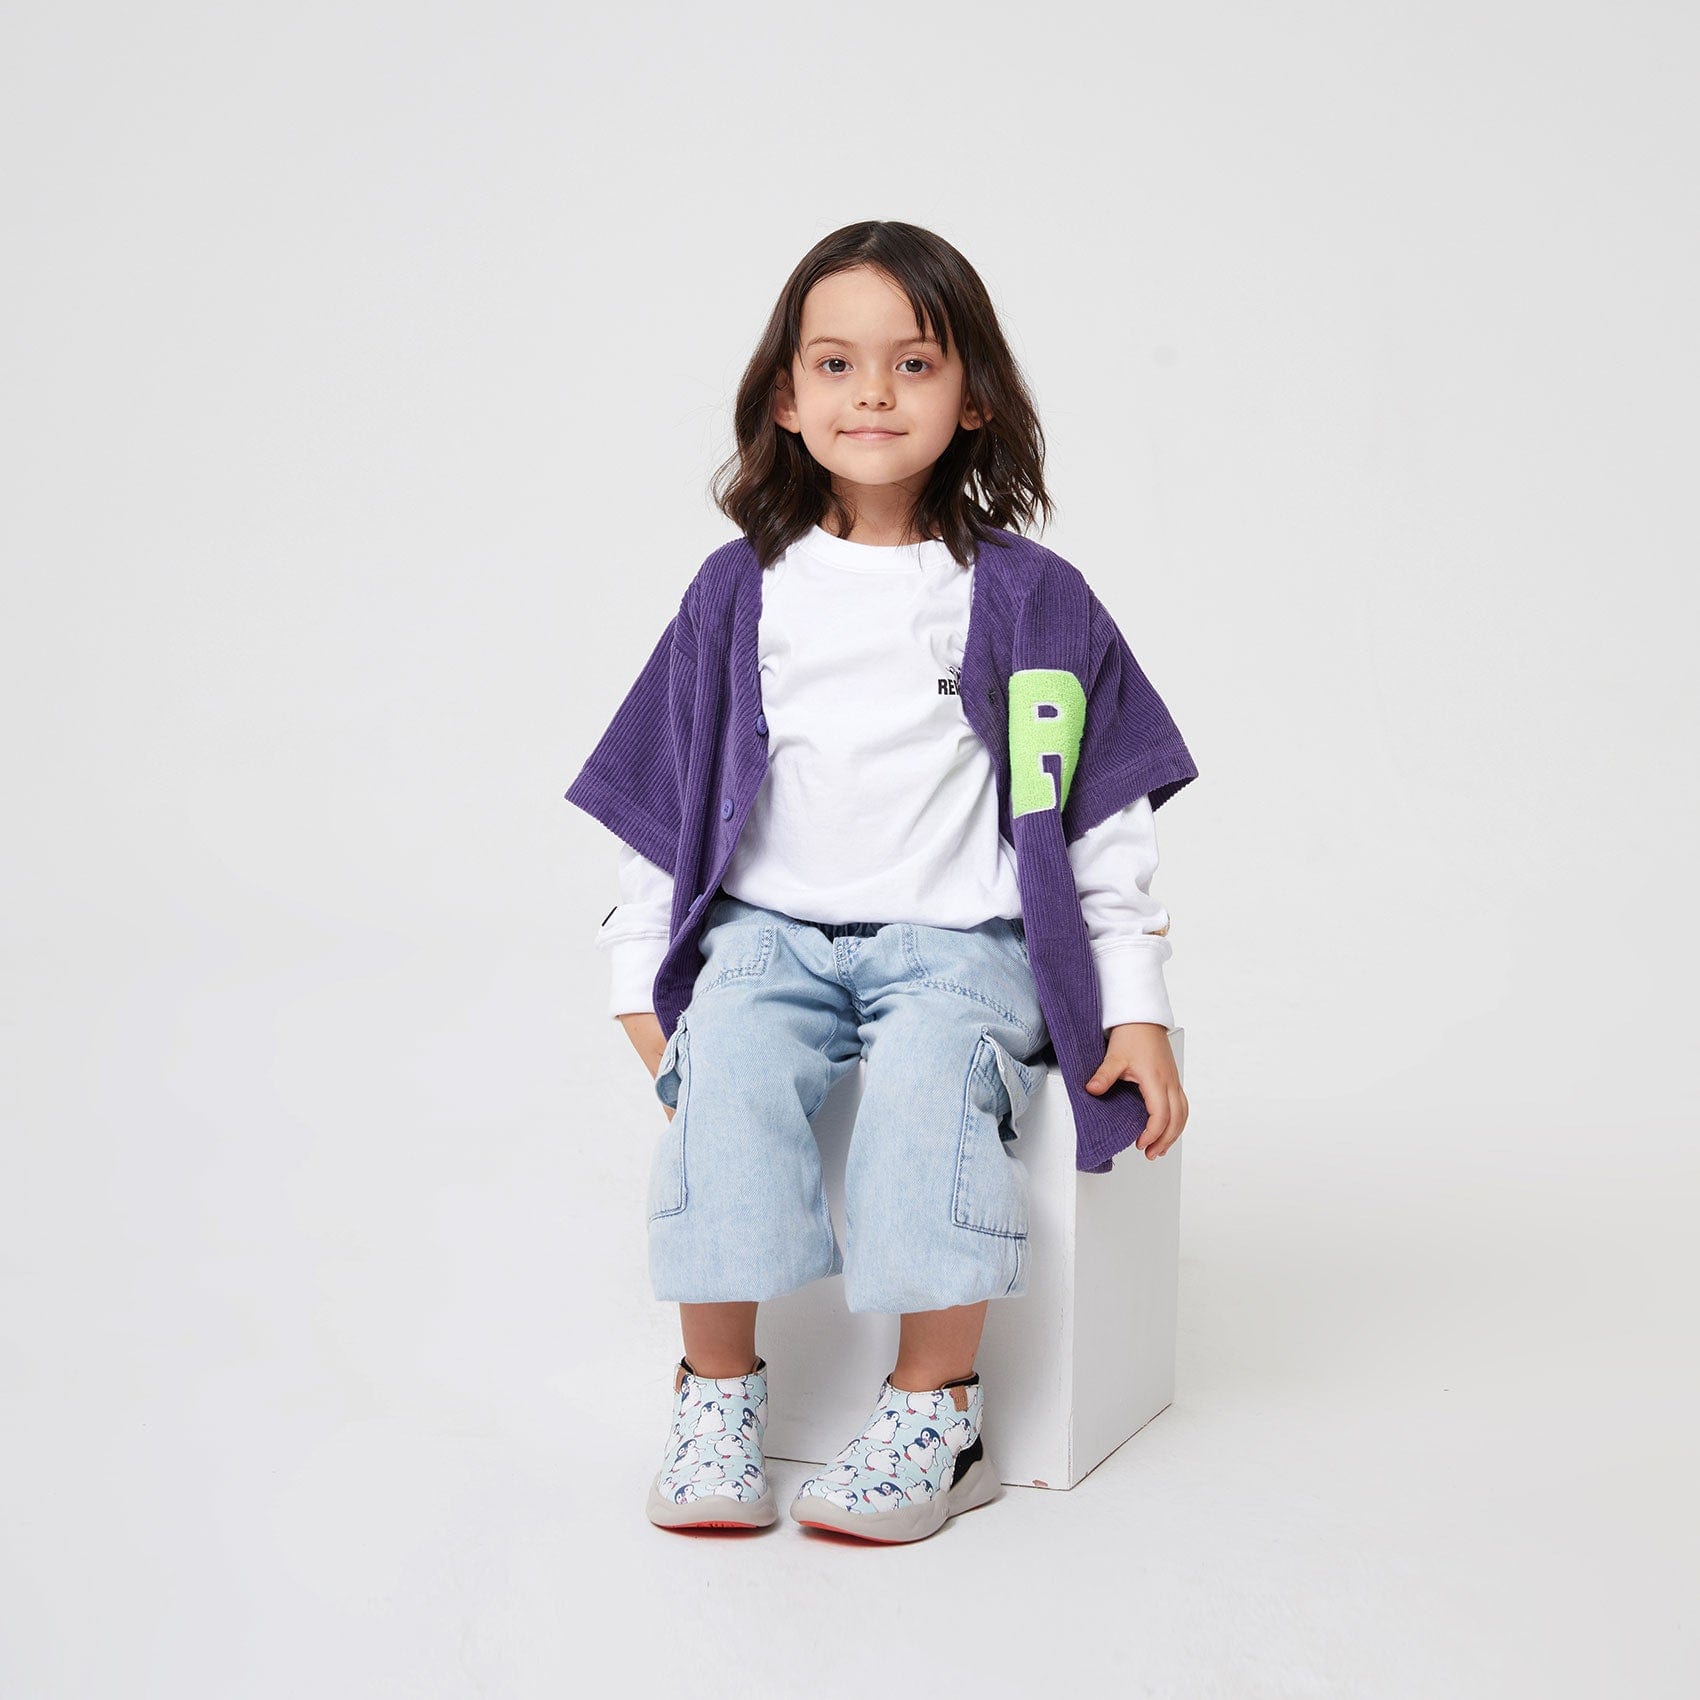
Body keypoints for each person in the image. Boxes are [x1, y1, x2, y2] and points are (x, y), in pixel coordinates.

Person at [563, 220, 1198, 1543]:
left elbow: (1102, 816)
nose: (872, 394)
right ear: (784, 400)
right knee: (727, 1084)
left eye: (914, 363)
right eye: (835, 364)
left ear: (974, 399)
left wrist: (1134, 1001)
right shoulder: (738, 593)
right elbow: (666, 794)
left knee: (926, 1098)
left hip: (957, 944)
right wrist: (638, 973)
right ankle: (717, 1395)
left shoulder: (1033, 600)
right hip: (768, 935)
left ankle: (934, 1410)